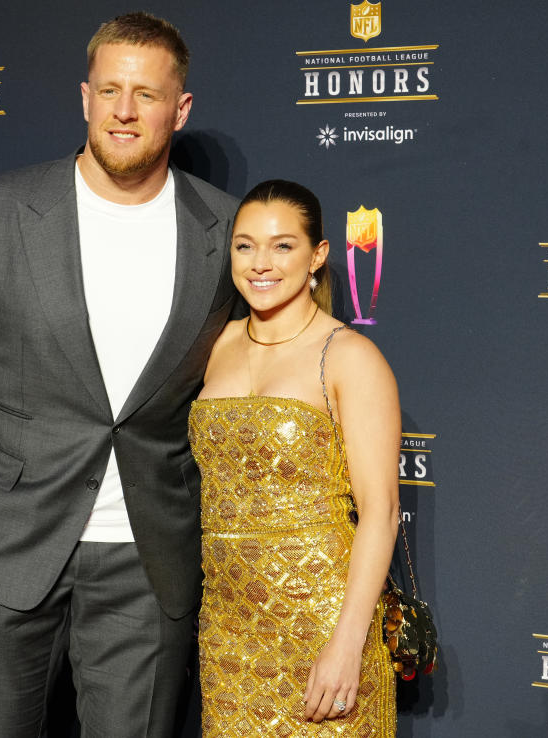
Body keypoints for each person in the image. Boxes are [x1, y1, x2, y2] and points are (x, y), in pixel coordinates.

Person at [0, 13, 238, 738]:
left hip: (150, 565)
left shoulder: (226, 229)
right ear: (84, 97)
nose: (123, 110)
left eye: (146, 94)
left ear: (180, 110)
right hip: (5, 549)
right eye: (109, 89)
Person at [189, 180, 400, 735]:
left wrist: (348, 644)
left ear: (318, 256)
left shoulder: (350, 356)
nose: (261, 263)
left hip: (323, 623)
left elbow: (380, 513)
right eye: (245, 245)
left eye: (283, 246)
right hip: (227, 628)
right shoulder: (216, 344)